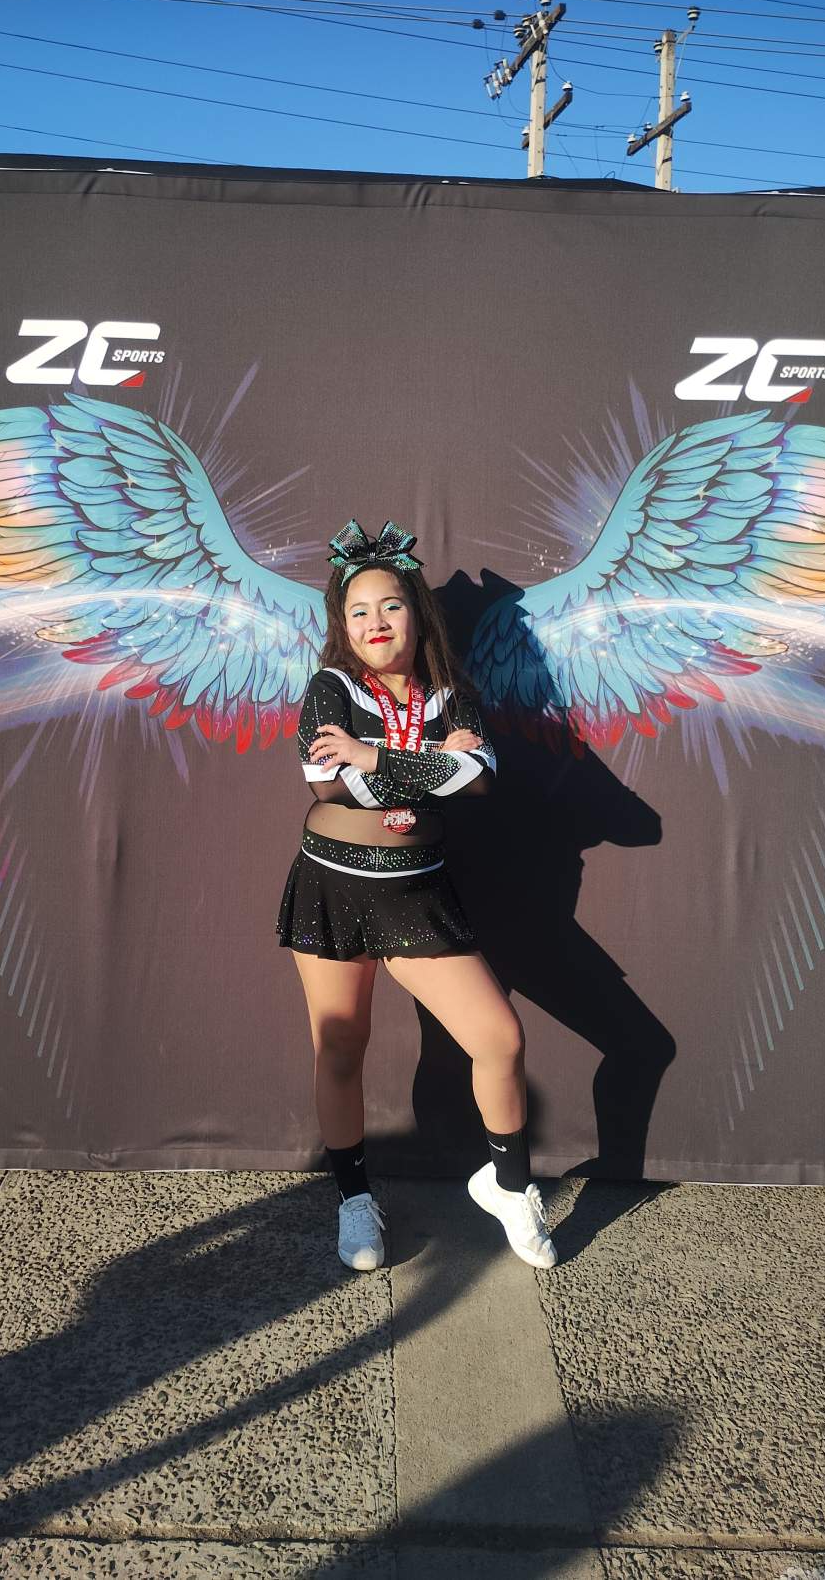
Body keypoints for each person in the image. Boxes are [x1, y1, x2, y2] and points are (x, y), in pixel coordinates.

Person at [276, 520, 557, 1273]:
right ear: (343, 624)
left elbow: (482, 780)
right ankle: (353, 1198)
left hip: (415, 893)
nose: (376, 623)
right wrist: (433, 765)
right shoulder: (330, 688)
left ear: (417, 614)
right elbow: (328, 782)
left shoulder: (450, 695)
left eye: (392, 606)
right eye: (359, 611)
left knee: (499, 1038)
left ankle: (508, 1186)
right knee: (342, 1047)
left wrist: (376, 758)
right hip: (334, 886)